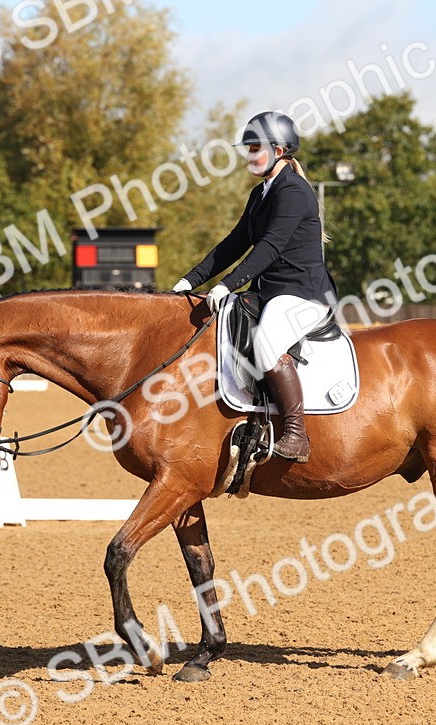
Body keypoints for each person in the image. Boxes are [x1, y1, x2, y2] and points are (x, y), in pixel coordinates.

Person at [172, 111, 337, 463]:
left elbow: (270, 246)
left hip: (303, 294)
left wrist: (228, 284)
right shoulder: (261, 192)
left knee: (265, 343)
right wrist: (190, 280)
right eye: (247, 148)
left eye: (254, 148)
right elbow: (234, 243)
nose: (249, 155)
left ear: (279, 151)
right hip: (272, 293)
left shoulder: (294, 191)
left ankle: (297, 435)